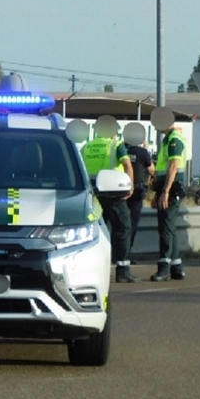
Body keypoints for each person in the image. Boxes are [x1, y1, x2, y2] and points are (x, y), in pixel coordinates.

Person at [82, 116, 137, 283]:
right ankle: (123, 270)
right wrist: (130, 186)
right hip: (114, 194)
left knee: (97, 232)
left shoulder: (87, 146)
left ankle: (95, 270)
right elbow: (127, 165)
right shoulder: (116, 145)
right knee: (123, 228)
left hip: (93, 195)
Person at [150, 108, 187, 282]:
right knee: (169, 228)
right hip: (166, 188)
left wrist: (165, 191)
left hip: (171, 189)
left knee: (165, 228)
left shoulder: (174, 140)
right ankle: (176, 267)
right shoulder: (167, 140)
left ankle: (164, 268)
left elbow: (173, 166)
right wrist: (158, 193)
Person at [123, 124, 155, 258]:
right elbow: (152, 170)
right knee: (133, 223)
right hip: (137, 190)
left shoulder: (121, 149)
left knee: (120, 224)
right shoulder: (142, 152)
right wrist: (146, 149)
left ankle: (117, 253)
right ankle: (127, 253)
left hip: (121, 189)